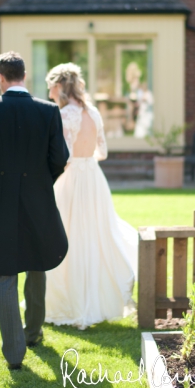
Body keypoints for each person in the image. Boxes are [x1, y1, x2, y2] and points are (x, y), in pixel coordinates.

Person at [0, 52, 69, 369]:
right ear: (24, 75)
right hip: (37, 197)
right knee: (37, 262)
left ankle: (14, 353)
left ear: (0, 77)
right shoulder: (49, 111)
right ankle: (34, 332)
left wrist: (2, 178)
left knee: (4, 274)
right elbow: (59, 158)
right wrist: (39, 182)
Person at [43, 63, 138, 330]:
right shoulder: (93, 112)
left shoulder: (63, 115)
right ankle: (96, 301)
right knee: (95, 235)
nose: (49, 92)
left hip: (72, 179)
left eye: (51, 86)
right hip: (94, 178)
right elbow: (103, 152)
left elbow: (62, 156)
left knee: (68, 237)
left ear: (60, 86)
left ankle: (72, 304)